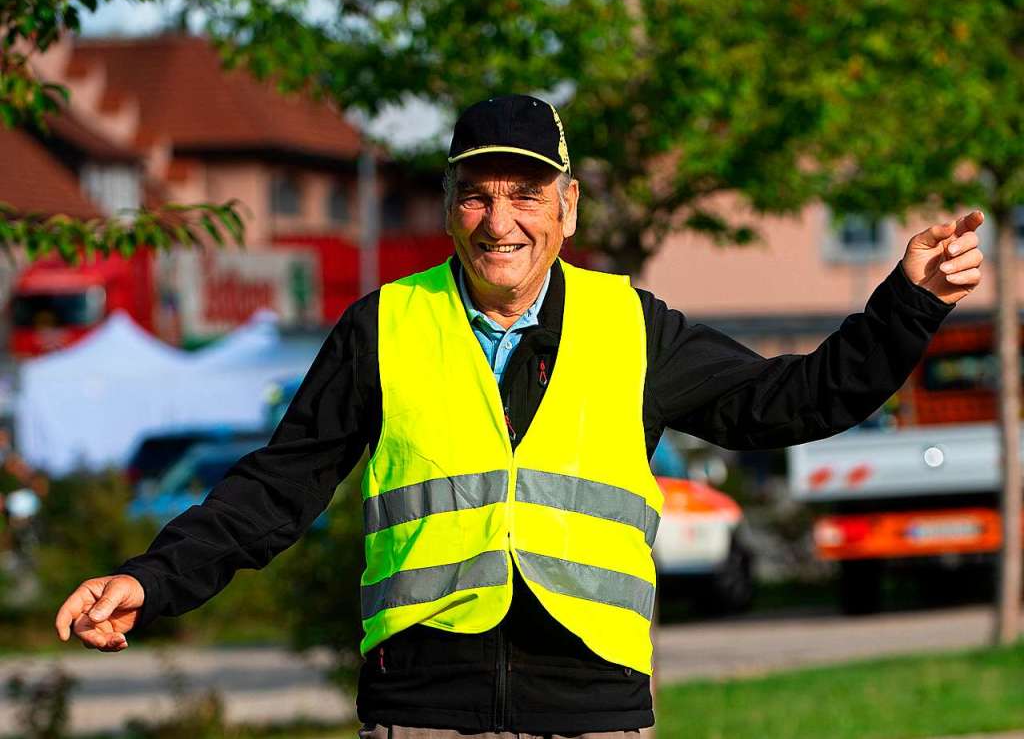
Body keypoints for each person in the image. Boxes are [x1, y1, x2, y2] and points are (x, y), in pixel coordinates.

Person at [55, 95, 985, 738]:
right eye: (479, 192)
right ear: (453, 209)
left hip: (593, 703)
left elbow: (800, 399)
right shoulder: (383, 326)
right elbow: (276, 487)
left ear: (567, 208)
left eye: (527, 192)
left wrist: (908, 303)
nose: (502, 220)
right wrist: (154, 579)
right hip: (423, 702)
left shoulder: (635, 329)